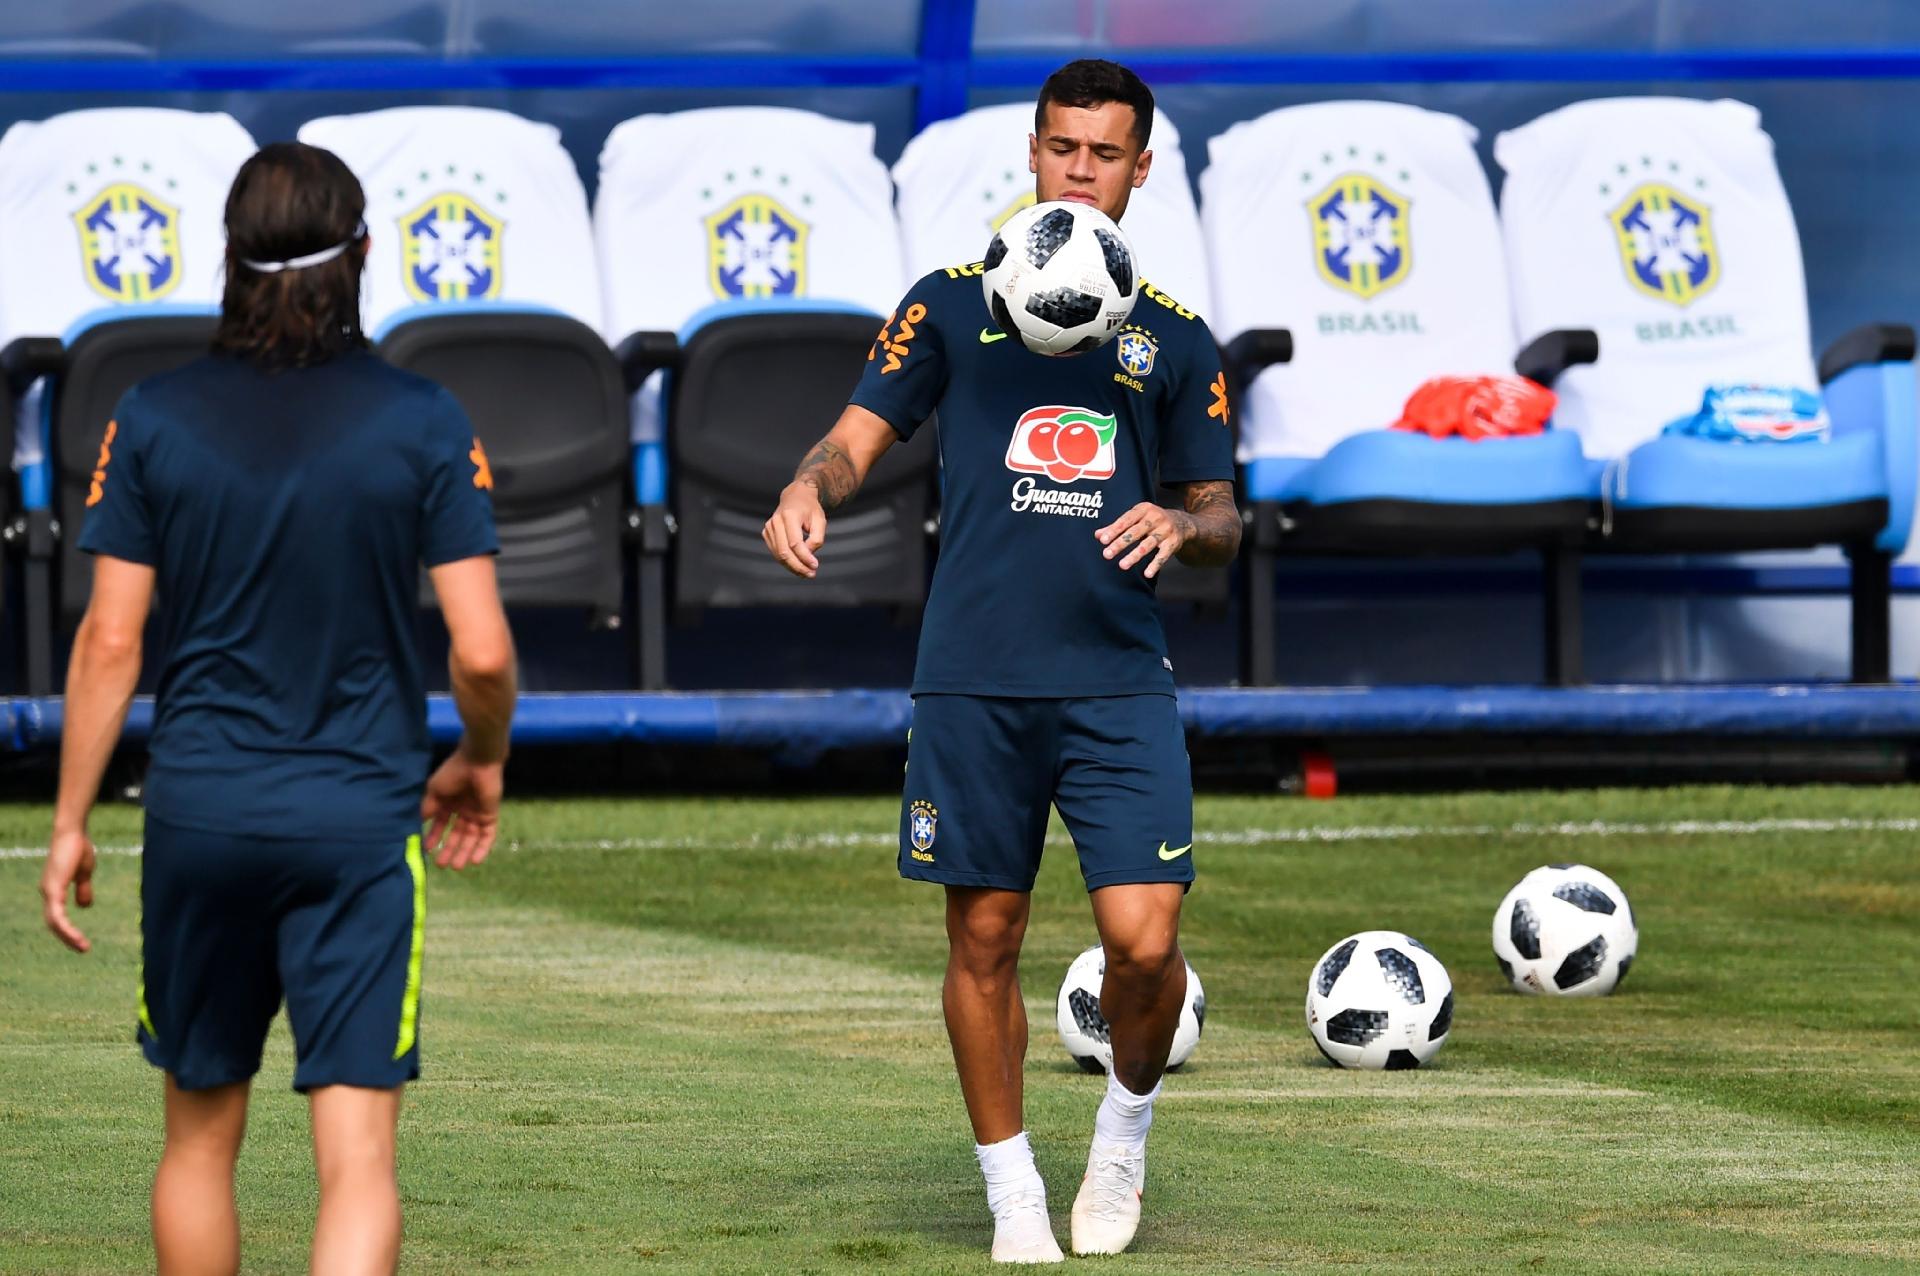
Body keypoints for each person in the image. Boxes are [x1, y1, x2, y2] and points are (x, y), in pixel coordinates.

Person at [763, 59, 1240, 1263]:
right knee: (983, 941)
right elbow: (852, 439)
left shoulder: (1176, 338)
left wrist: (1184, 526)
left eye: (1106, 154)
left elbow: (1223, 515)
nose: (1081, 171)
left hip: (1120, 679)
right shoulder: (948, 301)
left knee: (1144, 941)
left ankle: (1123, 1135)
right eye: (1063, 149)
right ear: (1033, 153)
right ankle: (1014, 1191)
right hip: (973, 677)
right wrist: (806, 488)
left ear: (1142, 168)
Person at [38, 141, 516, 1276]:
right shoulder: (424, 416)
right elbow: (484, 651)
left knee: (199, 1142)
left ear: (226, 257)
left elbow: (110, 639)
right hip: (355, 823)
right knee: (356, 1161)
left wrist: (68, 820)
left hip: (198, 814)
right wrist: (481, 758)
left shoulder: (149, 414)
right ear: (361, 254)